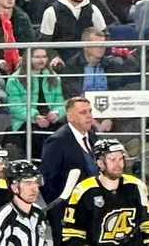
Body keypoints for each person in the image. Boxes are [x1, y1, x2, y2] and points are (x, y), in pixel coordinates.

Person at [61, 139, 149, 246]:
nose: (118, 164)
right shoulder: (83, 190)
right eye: (112, 159)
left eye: (121, 159)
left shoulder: (137, 186)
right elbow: (72, 234)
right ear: (100, 163)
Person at [40, 96, 97, 239]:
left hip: (92, 210)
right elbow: (48, 180)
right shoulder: (57, 141)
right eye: (83, 112)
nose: (89, 116)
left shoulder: (92, 136)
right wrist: (59, 209)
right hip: (67, 214)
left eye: (90, 111)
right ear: (70, 117)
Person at [0, 160, 46, 246]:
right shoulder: (3, 218)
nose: (34, 188)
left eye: (36, 182)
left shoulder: (38, 213)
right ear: (14, 188)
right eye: (28, 183)